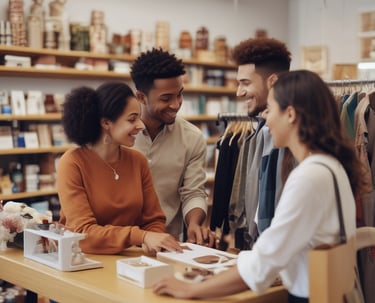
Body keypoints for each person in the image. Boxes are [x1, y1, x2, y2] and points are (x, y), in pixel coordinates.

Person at [153, 70, 366, 302]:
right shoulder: (331, 166)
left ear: (291, 114)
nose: (266, 118)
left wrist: (191, 289)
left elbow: (264, 262)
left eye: (271, 109)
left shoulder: (309, 177)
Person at [57, 81, 182, 255]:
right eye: (132, 119)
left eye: (139, 117)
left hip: (131, 259)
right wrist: (141, 236)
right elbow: (83, 232)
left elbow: (154, 219)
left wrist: (153, 237)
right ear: (106, 123)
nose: (141, 125)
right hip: (82, 260)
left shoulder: (137, 161)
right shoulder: (72, 163)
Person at [131, 48, 214, 246]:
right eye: (166, 98)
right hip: (122, 245)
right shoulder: (120, 136)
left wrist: (194, 224)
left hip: (169, 246)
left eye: (180, 95)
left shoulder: (192, 138)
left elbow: (193, 192)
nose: (176, 105)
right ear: (141, 97)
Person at [226, 37, 293, 250]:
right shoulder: (264, 129)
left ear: (272, 81)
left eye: (245, 83)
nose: (239, 92)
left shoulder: (290, 136)